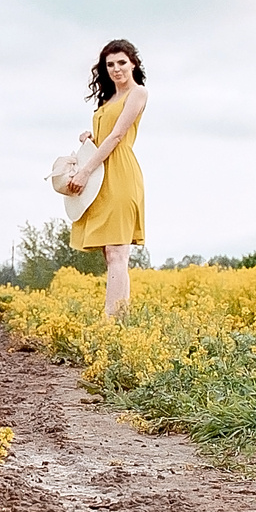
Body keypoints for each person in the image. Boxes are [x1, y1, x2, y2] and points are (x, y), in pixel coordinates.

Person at [62, 39, 148, 315]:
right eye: (110, 64)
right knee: (110, 253)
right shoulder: (108, 99)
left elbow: (118, 136)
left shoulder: (137, 93)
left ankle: (111, 323)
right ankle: (121, 320)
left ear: (133, 63)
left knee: (117, 251)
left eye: (122, 62)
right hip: (102, 175)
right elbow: (104, 138)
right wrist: (89, 138)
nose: (116, 69)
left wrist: (86, 171)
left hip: (120, 173)